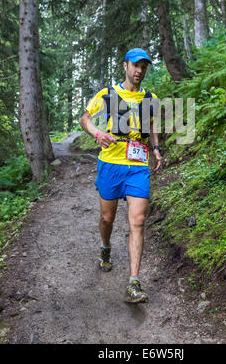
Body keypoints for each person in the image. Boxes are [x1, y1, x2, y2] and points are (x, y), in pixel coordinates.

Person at [80, 48, 162, 303]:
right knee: (107, 218)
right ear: (125, 65)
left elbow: (152, 125)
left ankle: (133, 282)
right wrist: (97, 134)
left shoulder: (151, 97)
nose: (139, 71)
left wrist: (156, 148)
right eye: (135, 65)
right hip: (111, 165)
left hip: (138, 166)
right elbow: (85, 119)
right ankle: (105, 248)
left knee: (137, 222)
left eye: (144, 67)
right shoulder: (108, 94)